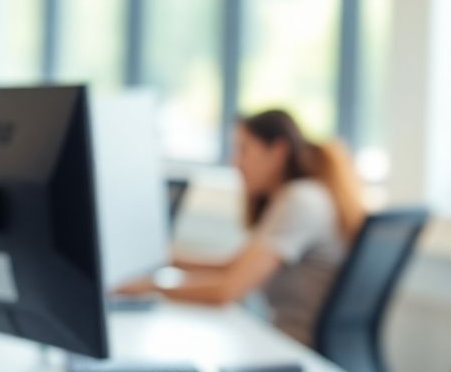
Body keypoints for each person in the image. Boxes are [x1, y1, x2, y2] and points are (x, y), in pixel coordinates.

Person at [119, 109, 365, 346]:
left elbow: (229, 290)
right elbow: (233, 266)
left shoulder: (301, 200)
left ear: (278, 151)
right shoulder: (302, 195)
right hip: (287, 345)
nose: (235, 162)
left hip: (300, 353)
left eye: (243, 150)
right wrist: (168, 259)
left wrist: (152, 288)